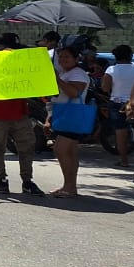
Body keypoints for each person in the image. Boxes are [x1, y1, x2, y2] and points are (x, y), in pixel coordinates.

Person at [0, 33, 44, 196]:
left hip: (19, 113)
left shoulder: (20, 63)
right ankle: (2, 180)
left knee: (27, 147)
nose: (13, 53)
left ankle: (27, 181)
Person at [45, 45, 90, 198]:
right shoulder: (66, 73)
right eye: (61, 57)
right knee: (70, 152)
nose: (63, 59)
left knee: (60, 150)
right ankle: (69, 186)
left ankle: (69, 186)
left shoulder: (79, 74)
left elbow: (73, 93)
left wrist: (57, 79)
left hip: (73, 115)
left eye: (67, 57)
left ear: (76, 59)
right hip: (63, 114)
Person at [101, 44, 134, 168]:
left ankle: (124, 160)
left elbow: (105, 88)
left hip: (117, 103)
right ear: (131, 55)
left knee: (120, 133)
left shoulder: (111, 70)